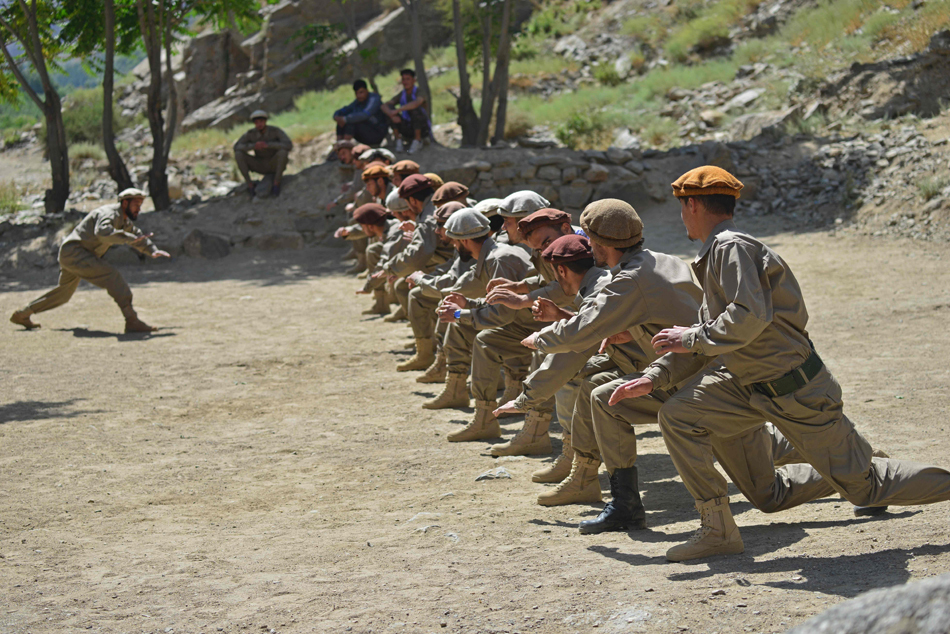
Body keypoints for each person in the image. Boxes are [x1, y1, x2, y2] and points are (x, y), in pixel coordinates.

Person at [610, 166, 950, 562]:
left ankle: (864, 467)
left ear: (694, 204)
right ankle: (718, 531)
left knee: (866, 488)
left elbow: (747, 317)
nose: (680, 216)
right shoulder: (717, 252)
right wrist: (656, 376)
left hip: (795, 389)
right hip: (745, 385)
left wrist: (688, 338)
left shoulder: (730, 247)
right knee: (685, 420)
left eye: (681, 207)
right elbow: (713, 335)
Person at [10, 188, 171, 333]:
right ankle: (132, 320)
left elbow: (136, 235)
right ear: (125, 203)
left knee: (63, 294)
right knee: (111, 276)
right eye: (136, 204)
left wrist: (152, 250)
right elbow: (102, 232)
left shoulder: (123, 219)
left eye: (140, 205)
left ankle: (23, 314)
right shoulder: (108, 213)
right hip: (76, 253)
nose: (139, 209)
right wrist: (128, 238)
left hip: (72, 254)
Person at [233, 110, 293, 198]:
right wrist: (253, 146)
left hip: (273, 163)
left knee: (283, 152)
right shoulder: (251, 134)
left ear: (265, 121)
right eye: (256, 122)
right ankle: (250, 185)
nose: (259, 124)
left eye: (261, 121)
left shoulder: (275, 131)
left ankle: (276, 183)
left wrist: (268, 145)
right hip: (259, 164)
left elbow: (288, 145)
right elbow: (237, 147)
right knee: (238, 154)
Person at [381, 69, 429, 154]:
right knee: (389, 109)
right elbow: (384, 105)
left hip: (422, 128)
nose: (405, 82)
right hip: (407, 126)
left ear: (414, 80)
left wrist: (398, 110)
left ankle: (418, 140)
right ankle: (398, 140)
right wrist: (391, 115)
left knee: (414, 109)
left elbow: (416, 103)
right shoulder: (402, 94)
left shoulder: (420, 92)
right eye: (403, 79)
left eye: (408, 79)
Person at [333, 80, 388, 147]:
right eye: (356, 93)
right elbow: (344, 110)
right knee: (341, 121)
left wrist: (345, 119)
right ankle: (338, 145)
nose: (359, 96)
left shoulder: (374, 99)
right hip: (364, 134)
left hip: (377, 133)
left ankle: (344, 147)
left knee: (351, 122)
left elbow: (365, 115)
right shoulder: (357, 102)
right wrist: (336, 116)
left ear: (367, 90)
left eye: (361, 92)